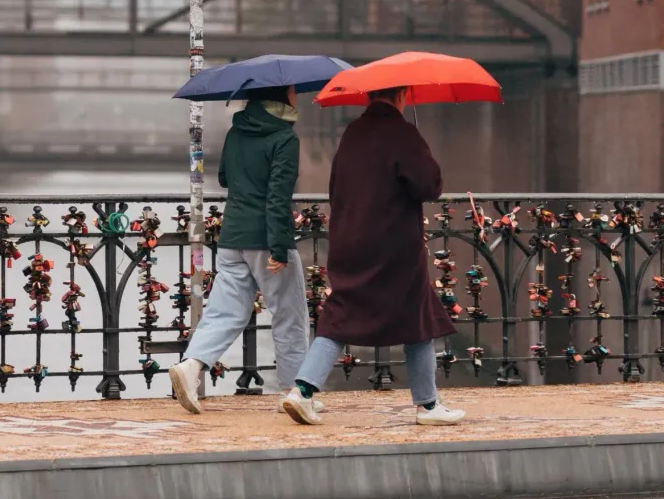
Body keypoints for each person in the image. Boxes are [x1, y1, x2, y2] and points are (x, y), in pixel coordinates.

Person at [281, 86, 465, 426]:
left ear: (368, 97)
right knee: (417, 316)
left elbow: (336, 186)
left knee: (340, 315)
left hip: (349, 239)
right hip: (393, 245)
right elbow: (428, 186)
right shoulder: (403, 133)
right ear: (402, 95)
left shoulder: (353, 132)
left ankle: (302, 392)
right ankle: (427, 406)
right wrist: (423, 153)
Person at [170, 85, 322, 415]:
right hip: (266, 239)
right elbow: (278, 197)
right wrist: (280, 247)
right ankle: (294, 391)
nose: (297, 96)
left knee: (225, 311)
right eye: (294, 91)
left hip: (232, 235)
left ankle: (192, 365)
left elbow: (224, 178)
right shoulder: (285, 137)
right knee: (289, 316)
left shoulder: (235, 132)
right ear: (282, 96)